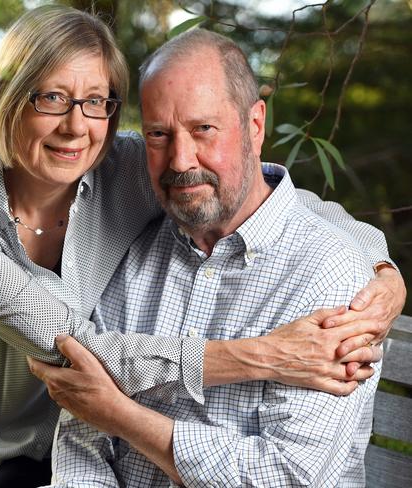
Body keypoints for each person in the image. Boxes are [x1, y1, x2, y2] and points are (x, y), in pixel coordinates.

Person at [0, 6, 405, 488]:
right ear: (8, 97)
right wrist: (265, 355)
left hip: (63, 457)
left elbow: (282, 200)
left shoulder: (129, 168)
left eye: (96, 101)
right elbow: (73, 347)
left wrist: (382, 271)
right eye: (51, 97)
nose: (76, 126)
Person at [29, 28, 398, 487]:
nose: (181, 160)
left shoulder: (330, 275)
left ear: (255, 125)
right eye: (159, 135)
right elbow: (83, 435)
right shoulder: (134, 250)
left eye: (204, 129)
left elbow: (287, 475)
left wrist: (121, 415)